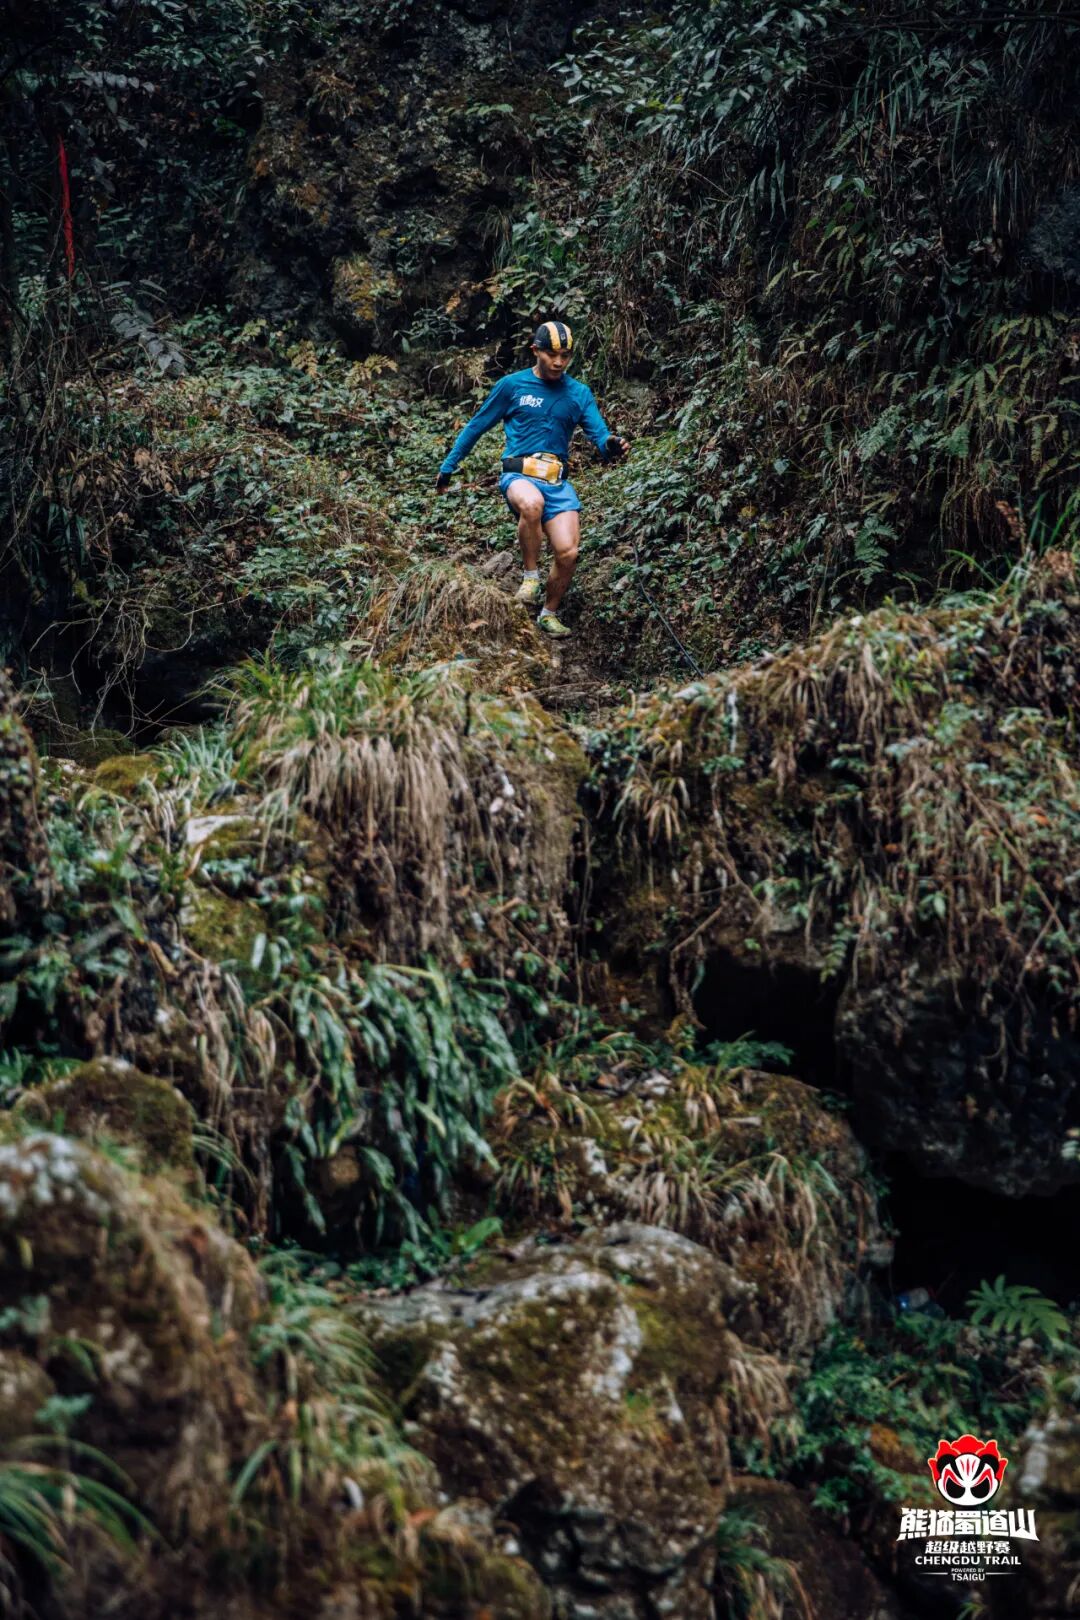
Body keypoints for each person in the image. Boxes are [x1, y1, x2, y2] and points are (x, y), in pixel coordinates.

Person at [434, 320, 629, 638]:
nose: (558, 362)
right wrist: (448, 466)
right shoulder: (512, 386)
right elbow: (477, 426)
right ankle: (530, 577)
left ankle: (548, 613)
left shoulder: (579, 394)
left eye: (565, 356)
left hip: (557, 482)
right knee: (532, 504)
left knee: (568, 553)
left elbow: (600, 436)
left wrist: (612, 445)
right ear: (535, 350)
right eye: (552, 354)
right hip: (519, 475)